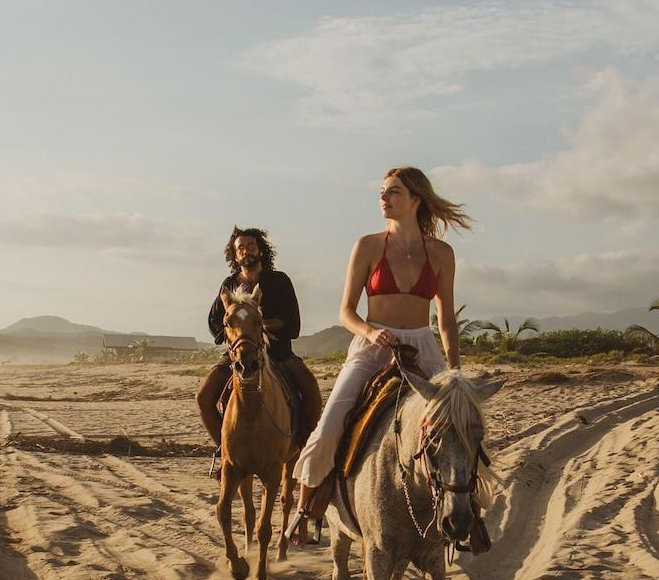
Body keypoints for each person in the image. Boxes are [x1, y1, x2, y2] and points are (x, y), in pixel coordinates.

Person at [292, 166, 488, 553]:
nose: (383, 198)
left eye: (393, 192)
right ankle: (307, 509)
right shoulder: (367, 245)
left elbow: (446, 319)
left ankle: (472, 515)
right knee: (331, 422)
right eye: (382, 191)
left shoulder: (442, 253)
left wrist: (454, 371)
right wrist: (369, 332)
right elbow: (346, 311)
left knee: (462, 427)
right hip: (372, 346)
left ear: (415, 199)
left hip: (423, 346)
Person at [197, 228, 324, 452]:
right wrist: (234, 334)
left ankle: (302, 445)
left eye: (251, 247)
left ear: (261, 251)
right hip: (238, 354)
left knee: (311, 390)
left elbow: (293, 323)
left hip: (278, 353)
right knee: (203, 397)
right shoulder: (229, 285)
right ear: (235, 255)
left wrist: (262, 326)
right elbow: (214, 321)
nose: (247, 251)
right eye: (241, 248)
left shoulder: (279, 281)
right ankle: (225, 449)